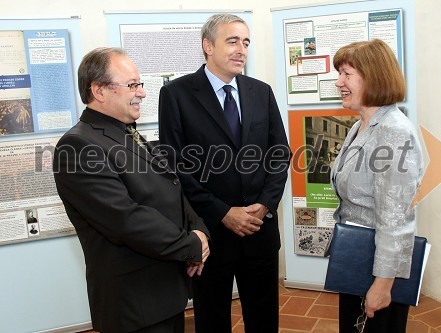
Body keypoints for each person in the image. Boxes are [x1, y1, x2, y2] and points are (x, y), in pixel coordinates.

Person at [52, 47, 210, 333]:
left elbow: (170, 186)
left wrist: (199, 230)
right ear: (99, 90)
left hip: (165, 291)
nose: (142, 93)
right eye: (132, 85)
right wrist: (191, 246)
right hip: (134, 304)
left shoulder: (125, 132)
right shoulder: (77, 146)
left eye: (140, 84)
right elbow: (126, 219)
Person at [158, 13, 290, 333]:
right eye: (232, 41)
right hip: (210, 235)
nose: (241, 49)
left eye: (245, 42)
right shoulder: (176, 95)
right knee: (212, 320)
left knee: (264, 319)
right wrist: (223, 213)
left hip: (259, 230)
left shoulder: (261, 91)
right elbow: (176, 167)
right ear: (208, 46)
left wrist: (264, 205)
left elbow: (279, 154)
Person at [329, 39, 423, 333]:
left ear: (374, 77)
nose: (338, 82)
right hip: (358, 262)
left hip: (377, 271)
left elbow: (395, 220)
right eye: (339, 74)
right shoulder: (362, 125)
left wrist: (383, 284)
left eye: (346, 74)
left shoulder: (394, 131)